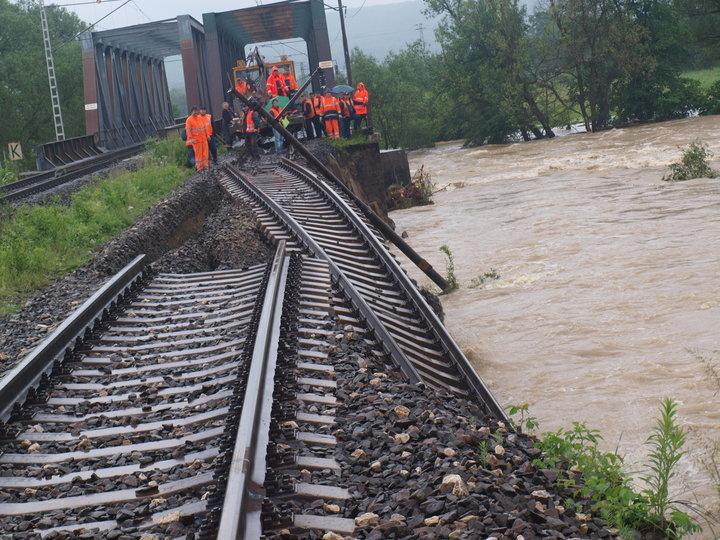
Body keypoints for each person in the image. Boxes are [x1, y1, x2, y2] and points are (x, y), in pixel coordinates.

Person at [185, 106, 210, 171]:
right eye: (194, 111)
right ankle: (200, 168)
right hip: (197, 140)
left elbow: (205, 127)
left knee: (205, 153)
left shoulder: (199, 118)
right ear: (192, 111)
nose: (196, 112)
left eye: (197, 111)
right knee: (199, 155)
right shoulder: (189, 120)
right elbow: (188, 130)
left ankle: (206, 166)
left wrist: (208, 135)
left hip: (204, 139)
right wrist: (191, 139)